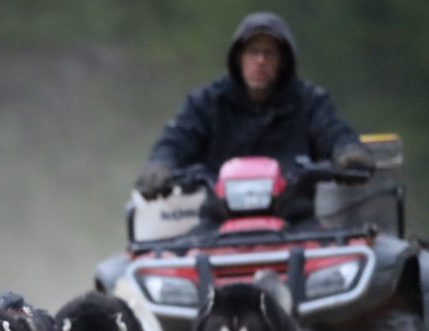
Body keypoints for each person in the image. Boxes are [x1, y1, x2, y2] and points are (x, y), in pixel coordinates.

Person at [134, 12, 375, 227]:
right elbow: (177, 139)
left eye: (269, 53)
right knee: (160, 271)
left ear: (283, 61)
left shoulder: (309, 101)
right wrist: (160, 164)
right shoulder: (207, 102)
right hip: (217, 222)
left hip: (295, 223)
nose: (260, 61)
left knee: (342, 268)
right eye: (253, 52)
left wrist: (348, 151)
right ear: (238, 58)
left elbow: (334, 131)